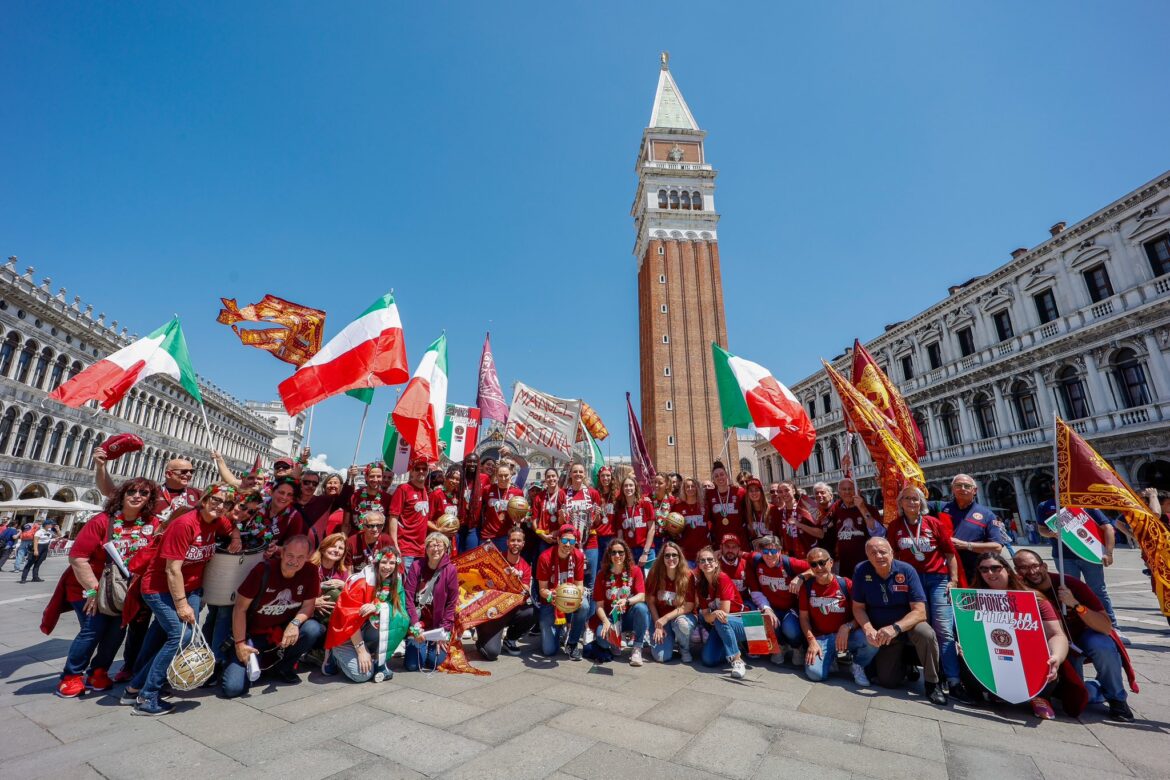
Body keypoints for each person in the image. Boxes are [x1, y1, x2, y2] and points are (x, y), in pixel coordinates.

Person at [123, 483, 242, 716]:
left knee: (175, 638)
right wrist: (181, 604)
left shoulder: (217, 521)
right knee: (182, 636)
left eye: (226, 503)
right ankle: (147, 697)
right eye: (216, 500)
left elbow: (231, 527)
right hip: (160, 589)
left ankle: (135, 687)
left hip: (192, 589)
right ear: (204, 500)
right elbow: (172, 570)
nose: (220, 506)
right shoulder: (185, 524)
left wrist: (235, 537)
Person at [56, 478, 161, 698]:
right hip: (89, 585)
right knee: (93, 629)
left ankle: (99, 672)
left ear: (150, 499)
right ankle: (71, 676)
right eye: (131, 491)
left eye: (144, 493)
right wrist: (93, 591)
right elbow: (78, 558)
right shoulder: (102, 521)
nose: (137, 496)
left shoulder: (152, 523)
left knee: (117, 631)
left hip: (123, 590)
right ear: (122, 495)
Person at [1013, 549, 1135, 721]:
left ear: (1044, 566)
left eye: (1035, 566)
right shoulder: (1019, 589)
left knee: (1103, 645)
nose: (1032, 572)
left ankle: (1117, 698)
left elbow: (1105, 626)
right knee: (1076, 696)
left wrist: (1076, 604)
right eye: (1024, 568)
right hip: (1052, 644)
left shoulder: (1070, 584)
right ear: (1017, 571)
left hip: (1083, 636)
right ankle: (1093, 688)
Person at [885, 485, 965, 701]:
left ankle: (954, 679)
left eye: (916, 499)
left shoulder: (933, 523)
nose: (912, 502)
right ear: (900, 503)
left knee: (944, 629)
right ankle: (933, 676)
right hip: (911, 582)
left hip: (937, 580)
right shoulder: (895, 526)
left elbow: (949, 554)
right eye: (907, 498)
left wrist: (953, 580)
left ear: (922, 503)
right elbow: (891, 556)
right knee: (920, 629)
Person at [968, 553, 1070, 720]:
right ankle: (992, 690)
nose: (990, 573)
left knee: (1046, 662)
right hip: (993, 654)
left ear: (1007, 569)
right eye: (984, 569)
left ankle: (1040, 696)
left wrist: (1056, 657)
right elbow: (969, 632)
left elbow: (1056, 634)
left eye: (995, 568)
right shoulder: (973, 598)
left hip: (1028, 654)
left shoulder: (1034, 598)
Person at [222, 535, 323, 697]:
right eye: (290, 555)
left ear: (308, 557)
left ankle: (284, 667)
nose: (294, 561)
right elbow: (240, 608)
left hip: (283, 632)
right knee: (233, 689)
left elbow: (308, 606)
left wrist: (295, 623)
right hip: (253, 634)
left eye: (300, 557)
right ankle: (238, 661)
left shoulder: (310, 571)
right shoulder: (263, 570)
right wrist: (240, 644)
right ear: (282, 553)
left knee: (313, 628)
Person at [851, 537, 946, 704]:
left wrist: (895, 628)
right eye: (873, 553)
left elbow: (920, 611)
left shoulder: (906, 570)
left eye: (882, 552)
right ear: (867, 556)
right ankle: (907, 664)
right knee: (888, 682)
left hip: (907, 625)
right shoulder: (861, 570)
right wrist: (868, 629)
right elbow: (858, 607)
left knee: (926, 633)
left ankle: (932, 683)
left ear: (892, 552)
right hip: (882, 631)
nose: (878, 556)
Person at [1034, 497, 1125, 642]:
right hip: (1063, 556)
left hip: (1089, 554)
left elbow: (1107, 527)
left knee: (1098, 590)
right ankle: (1079, 626)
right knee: (1069, 592)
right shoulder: (1045, 505)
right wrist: (1051, 534)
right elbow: (1041, 529)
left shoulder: (1083, 501)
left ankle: (1112, 626)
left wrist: (1108, 553)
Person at [325, 549, 409, 682]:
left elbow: (399, 610)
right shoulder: (362, 582)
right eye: (384, 562)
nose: (387, 567)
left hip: (367, 628)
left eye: (392, 563)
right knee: (362, 675)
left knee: (395, 620)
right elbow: (350, 619)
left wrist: (378, 607)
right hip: (347, 634)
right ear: (377, 562)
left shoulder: (395, 580)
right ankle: (334, 654)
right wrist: (361, 651)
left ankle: (377, 659)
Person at [799, 546, 877, 685]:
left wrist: (848, 626)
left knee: (872, 640)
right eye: (814, 564)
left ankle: (857, 665)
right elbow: (804, 618)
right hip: (821, 638)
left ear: (831, 562)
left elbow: (861, 612)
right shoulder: (807, 587)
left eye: (822, 562)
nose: (819, 567)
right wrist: (811, 641)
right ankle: (833, 658)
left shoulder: (845, 584)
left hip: (845, 637)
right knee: (815, 674)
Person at [745, 535, 809, 663]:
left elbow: (815, 568)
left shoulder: (789, 563)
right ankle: (778, 647)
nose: (769, 555)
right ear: (760, 552)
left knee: (790, 628)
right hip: (771, 607)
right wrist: (718, 552)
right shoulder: (756, 560)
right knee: (754, 612)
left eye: (773, 551)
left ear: (780, 551)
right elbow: (738, 553)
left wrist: (801, 576)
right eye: (765, 551)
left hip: (790, 608)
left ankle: (797, 647)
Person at [475, 528, 537, 660]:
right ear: (507, 542)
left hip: (511, 610)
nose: (515, 543)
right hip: (493, 612)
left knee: (533, 612)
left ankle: (510, 640)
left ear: (523, 544)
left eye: (519, 541)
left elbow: (525, 592)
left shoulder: (525, 567)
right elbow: (484, 584)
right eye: (513, 540)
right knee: (491, 654)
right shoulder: (497, 560)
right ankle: (482, 634)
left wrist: (515, 580)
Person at [404, 532, 459, 671]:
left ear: (445, 548)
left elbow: (451, 603)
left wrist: (443, 631)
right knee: (413, 665)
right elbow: (408, 597)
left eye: (439, 545)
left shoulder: (450, 570)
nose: (435, 549)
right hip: (419, 623)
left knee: (436, 662)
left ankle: (431, 646)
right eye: (432, 545)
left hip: (437, 626)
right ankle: (417, 643)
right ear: (426, 548)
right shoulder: (416, 566)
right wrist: (415, 626)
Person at [96, 452, 202, 525]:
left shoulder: (197, 494)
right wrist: (101, 467)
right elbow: (110, 492)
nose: (189, 475)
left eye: (191, 472)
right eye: (184, 472)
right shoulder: (151, 492)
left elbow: (214, 491)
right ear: (169, 474)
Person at [591, 538, 651, 666]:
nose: (617, 555)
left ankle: (637, 648)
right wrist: (605, 621)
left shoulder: (635, 570)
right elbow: (599, 606)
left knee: (641, 608)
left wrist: (627, 601)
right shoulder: (602, 574)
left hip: (629, 616)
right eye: (613, 552)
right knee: (602, 640)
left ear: (626, 554)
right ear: (609, 555)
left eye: (621, 552)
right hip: (612, 617)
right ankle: (615, 641)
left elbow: (642, 596)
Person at [940, 474, 1010, 580]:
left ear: (975, 490)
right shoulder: (940, 508)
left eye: (967, 486)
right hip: (945, 572)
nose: (962, 488)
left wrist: (965, 545)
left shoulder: (987, 514)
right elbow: (915, 503)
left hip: (975, 572)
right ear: (952, 489)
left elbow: (997, 548)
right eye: (958, 485)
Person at [535, 524, 589, 661]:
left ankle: (572, 643)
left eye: (571, 541)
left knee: (584, 605)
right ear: (558, 540)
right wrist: (551, 595)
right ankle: (559, 629)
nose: (568, 544)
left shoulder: (578, 555)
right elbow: (542, 589)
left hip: (569, 598)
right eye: (564, 540)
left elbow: (579, 585)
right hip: (550, 602)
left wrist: (579, 597)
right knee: (549, 651)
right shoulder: (545, 557)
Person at [695, 545, 747, 678]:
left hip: (743, 622)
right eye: (702, 560)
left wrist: (712, 615)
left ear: (716, 563)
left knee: (720, 618)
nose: (707, 563)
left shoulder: (723, 578)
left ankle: (737, 660)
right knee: (708, 660)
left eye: (710, 559)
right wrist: (712, 615)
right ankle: (732, 644)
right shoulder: (700, 585)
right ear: (699, 565)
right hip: (721, 624)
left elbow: (724, 613)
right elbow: (706, 616)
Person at [646, 540, 696, 663]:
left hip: (681, 616)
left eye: (674, 555)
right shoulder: (654, 574)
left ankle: (684, 648)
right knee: (662, 657)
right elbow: (650, 601)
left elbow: (689, 606)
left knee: (682, 625)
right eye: (667, 555)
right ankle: (670, 640)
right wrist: (658, 624)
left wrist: (666, 618)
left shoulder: (688, 575)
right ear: (662, 558)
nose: (671, 558)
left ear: (679, 557)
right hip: (660, 618)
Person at [826, 478, 883, 578]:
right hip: (845, 567)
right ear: (839, 493)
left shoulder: (870, 509)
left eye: (850, 489)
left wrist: (862, 507)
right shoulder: (836, 511)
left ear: (858, 491)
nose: (847, 492)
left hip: (867, 564)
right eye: (844, 489)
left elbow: (878, 533)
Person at [561, 463, 604, 595]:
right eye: (575, 471)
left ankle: (590, 608)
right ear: (570, 474)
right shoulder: (563, 493)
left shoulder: (593, 493)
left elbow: (597, 522)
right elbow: (561, 523)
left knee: (591, 579)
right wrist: (562, 516)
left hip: (590, 542)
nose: (578, 474)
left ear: (584, 474)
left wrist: (597, 515)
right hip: (570, 543)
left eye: (580, 471)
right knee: (572, 577)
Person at [389, 458, 432, 568]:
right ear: (411, 471)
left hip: (421, 549)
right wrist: (394, 544)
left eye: (424, 469)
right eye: (417, 469)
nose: (421, 471)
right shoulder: (403, 489)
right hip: (406, 549)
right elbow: (393, 517)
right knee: (406, 579)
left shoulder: (426, 490)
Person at [250, 477, 306, 559]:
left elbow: (292, 548)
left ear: (292, 499)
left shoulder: (295, 517)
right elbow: (239, 522)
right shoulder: (258, 504)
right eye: (281, 492)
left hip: (268, 562)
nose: (284, 497)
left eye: (289, 495)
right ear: (272, 492)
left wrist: (275, 549)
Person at [309, 533, 349, 631]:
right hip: (308, 615)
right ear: (323, 548)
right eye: (333, 546)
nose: (336, 550)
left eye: (341, 548)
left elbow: (349, 599)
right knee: (312, 629)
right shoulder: (309, 567)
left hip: (331, 619)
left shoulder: (342, 572)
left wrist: (344, 586)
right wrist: (313, 603)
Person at [772, 481, 823, 560]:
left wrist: (799, 525)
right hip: (790, 558)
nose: (784, 494)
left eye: (786, 490)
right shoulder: (780, 513)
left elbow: (820, 534)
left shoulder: (807, 507)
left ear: (793, 491)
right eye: (780, 492)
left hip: (810, 556)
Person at [481, 461, 523, 552]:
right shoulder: (487, 489)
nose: (503, 478)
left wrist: (520, 518)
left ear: (511, 474)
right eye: (500, 475)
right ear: (496, 475)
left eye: (506, 475)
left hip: (506, 535)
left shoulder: (517, 492)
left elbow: (522, 513)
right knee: (487, 561)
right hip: (488, 534)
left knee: (503, 560)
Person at [615, 476, 656, 568]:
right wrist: (621, 552)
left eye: (631, 485)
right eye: (625, 486)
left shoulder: (645, 504)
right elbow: (620, 534)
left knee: (649, 577)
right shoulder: (620, 508)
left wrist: (645, 553)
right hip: (629, 552)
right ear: (622, 489)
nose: (628, 488)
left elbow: (652, 529)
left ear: (635, 487)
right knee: (631, 577)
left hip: (646, 550)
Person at [705, 461, 747, 548]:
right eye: (716, 476)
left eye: (722, 474)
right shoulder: (709, 495)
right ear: (713, 479)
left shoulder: (739, 492)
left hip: (740, 540)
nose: (719, 477)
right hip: (720, 541)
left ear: (727, 475)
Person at [347, 463, 392, 536]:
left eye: (379, 476)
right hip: (356, 539)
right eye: (372, 476)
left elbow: (388, 524)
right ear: (366, 477)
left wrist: (382, 539)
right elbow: (346, 524)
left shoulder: (388, 498)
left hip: (377, 540)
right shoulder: (354, 496)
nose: (375, 479)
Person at [458, 454, 490, 552]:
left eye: (475, 462)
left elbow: (487, 497)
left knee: (470, 555)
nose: (472, 464)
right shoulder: (459, 478)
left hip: (474, 526)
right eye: (469, 461)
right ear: (465, 463)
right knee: (457, 555)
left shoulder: (484, 478)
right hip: (459, 525)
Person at [676, 478, 710, 566]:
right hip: (685, 553)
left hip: (703, 552)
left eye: (693, 486)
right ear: (683, 489)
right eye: (687, 487)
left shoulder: (705, 505)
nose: (690, 489)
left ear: (697, 488)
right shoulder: (678, 506)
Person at [428, 466, 463, 552]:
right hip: (437, 539)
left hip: (452, 539)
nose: (454, 481)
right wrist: (439, 530)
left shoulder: (457, 495)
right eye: (452, 478)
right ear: (445, 477)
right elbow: (426, 520)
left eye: (457, 479)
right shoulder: (436, 495)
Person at [531, 467, 563, 549]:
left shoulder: (564, 494)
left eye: (553, 476)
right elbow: (534, 521)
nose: (551, 479)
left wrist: (559, 531)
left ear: (558, 478)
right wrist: (543, 536)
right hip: (544, 538)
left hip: (561, 538)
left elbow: (568, 519)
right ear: (545, 479)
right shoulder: (539, 497)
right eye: (548, 477)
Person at [595, 466, 619, 556]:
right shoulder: (595, 493)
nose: (605, 478)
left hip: (613, 536)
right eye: (602, 476)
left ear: (612, 477)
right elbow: (595, 520)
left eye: (608, 475)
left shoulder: (618, 494)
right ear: (599, 478)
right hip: (598, 536)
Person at [742, 478, 771, 546]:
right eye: (751, 491)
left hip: (771, 550)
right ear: (747, 494)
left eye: (757, 490)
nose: (754, 493)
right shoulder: (746, 512)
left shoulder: (772, 509)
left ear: (761, 492)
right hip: (755, 550)